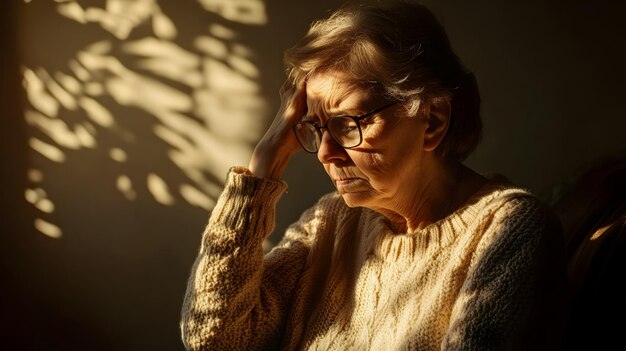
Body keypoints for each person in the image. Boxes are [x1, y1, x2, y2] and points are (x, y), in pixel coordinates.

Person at [180, 1, 566, 350]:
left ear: (431, 119)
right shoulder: (332, 220)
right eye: (315, 128)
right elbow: (213, 338)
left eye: (347, 123)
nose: (327, 154)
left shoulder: (507, 229)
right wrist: (263, 167)